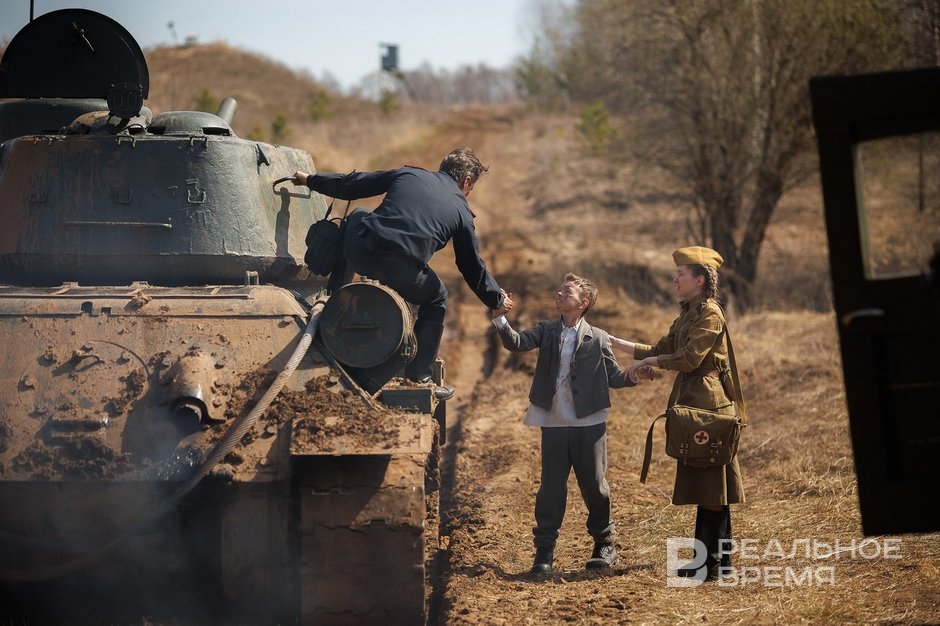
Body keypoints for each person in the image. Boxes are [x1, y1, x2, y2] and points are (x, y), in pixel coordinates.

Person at [293, 147, 508, 401]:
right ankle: (419, 376)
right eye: (470, 188)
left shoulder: (409, 175)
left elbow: (353, 184)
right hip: (402, 271)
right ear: (466, 181)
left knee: (359, 215)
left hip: (361, 250)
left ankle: (332, 304)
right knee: (437, 298)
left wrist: (311, 180)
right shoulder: (462, 212)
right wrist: (496, 299)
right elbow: (471, 265)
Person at [492, 273, 653, 574]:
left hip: (589, 422)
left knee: (594, 485)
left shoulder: (599, 337)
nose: (558, 294)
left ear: (583, 303)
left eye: (566, 292)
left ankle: (604, 544)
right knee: (551, 487)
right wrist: (501, 319)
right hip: (553, 420)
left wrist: (635, 374)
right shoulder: (546, 330)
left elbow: (613, 377)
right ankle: (545, 550)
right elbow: (517, 343)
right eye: (559, 290)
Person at [609, 246, 745, 582]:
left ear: (699, 280)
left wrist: (651, 362)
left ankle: (711, 565)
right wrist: (613, 341)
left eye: (680, 274)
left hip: (708, 404)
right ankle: (716, 562)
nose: (675, 279)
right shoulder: (688, 313)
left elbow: (690, 358)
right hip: (694, 399)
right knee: (707, 485)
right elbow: (662, 349)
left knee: (711, 486)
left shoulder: (709, 314)